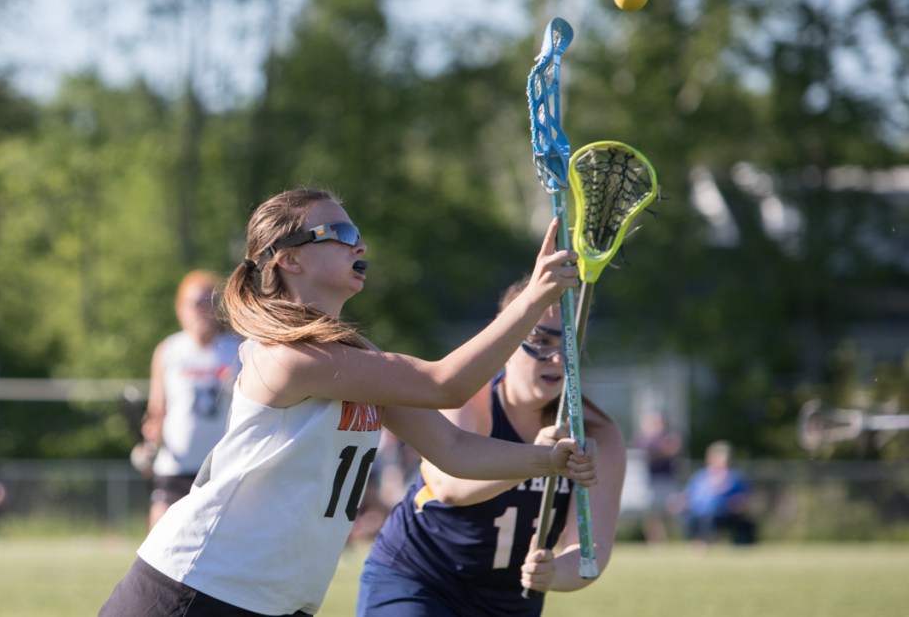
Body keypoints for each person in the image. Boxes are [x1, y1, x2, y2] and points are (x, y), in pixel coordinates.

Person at [99, 186, 595, 617]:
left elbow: (453, 450)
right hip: (198, 588)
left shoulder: (354, 358)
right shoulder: (289, 356)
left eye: (355, 227)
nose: (359, 242)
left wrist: (549, 460)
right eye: (338, 230)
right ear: (289, 259)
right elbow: (446, 385)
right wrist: (533, 298)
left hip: (274, 600)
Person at [357, 276, 627, 617]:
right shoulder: (468, 399)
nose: (557, 359)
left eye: (569, 345)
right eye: (541, 341)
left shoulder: (597, 432)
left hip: (509, 603)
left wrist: (555, 573)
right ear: (509, 339)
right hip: (419, 578)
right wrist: (538, 459)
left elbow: (591, 550)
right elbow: (450, 486)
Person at [135, 270, 244, 529]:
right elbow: (157, 410)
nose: (203, 309)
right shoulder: (170, 349)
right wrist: (148, 445)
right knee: (158, 542)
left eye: (210, 301)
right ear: (180, 308)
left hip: (221, 467)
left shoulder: (238, 348)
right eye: (196, 302)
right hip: (175, 466)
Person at [675, 440, 756, 546]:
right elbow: (688, 494)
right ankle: (698, 542)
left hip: (723, 513)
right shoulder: (700, 476)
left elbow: (742, 498)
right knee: (689, 517)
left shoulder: (735, 477)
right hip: (698, 513)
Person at [632, 410, 683, 544]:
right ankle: (657, 541)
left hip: (668, 479)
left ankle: (677, 538)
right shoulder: (645, 439)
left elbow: (672, 450)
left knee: (672, 510)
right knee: (652, 513)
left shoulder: (670, 436)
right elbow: (646, 453)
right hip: (652, 480)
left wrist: (659, 450)